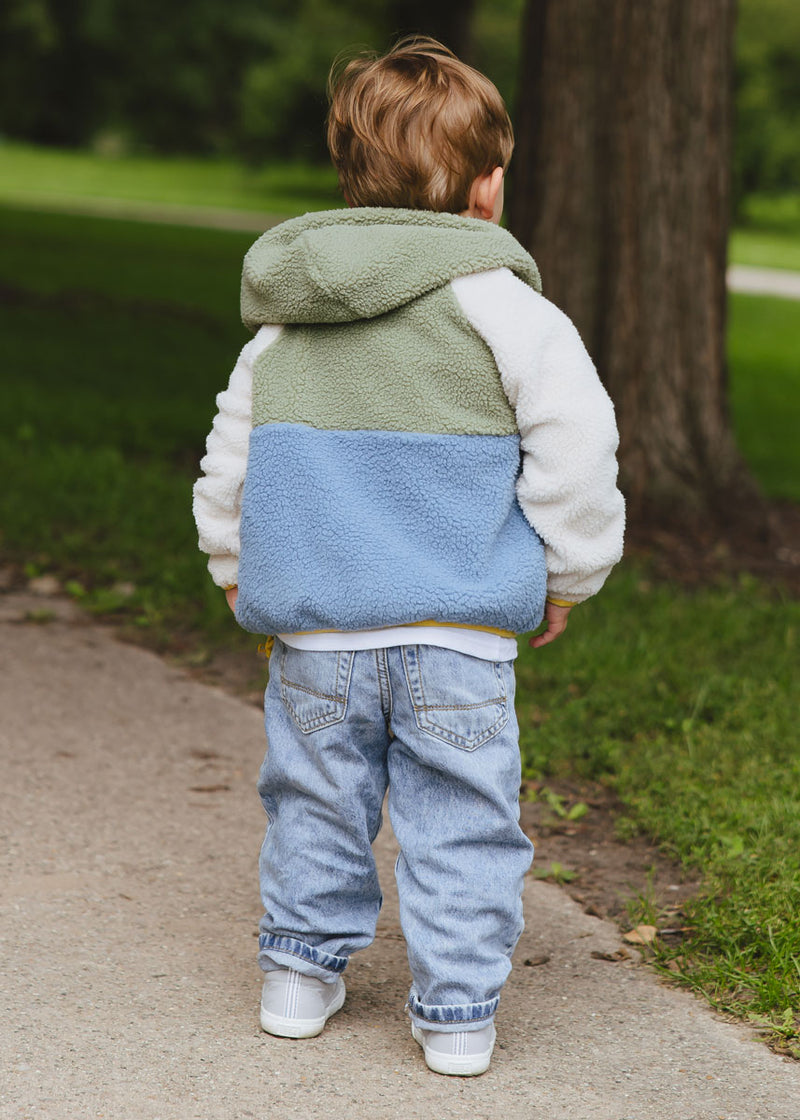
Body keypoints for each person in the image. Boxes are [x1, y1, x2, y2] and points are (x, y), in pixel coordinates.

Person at [192, 36, 624, 1077]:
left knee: (313, 799)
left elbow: (232, 453)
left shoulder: (289, 325)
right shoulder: (512, 313)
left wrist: (229, 562)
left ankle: (297, 973)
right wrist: (567, 574)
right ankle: (457, 1012)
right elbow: (576, 455)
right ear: (485, 189)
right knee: (462, 821)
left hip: (318, 634)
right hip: (457, 631)